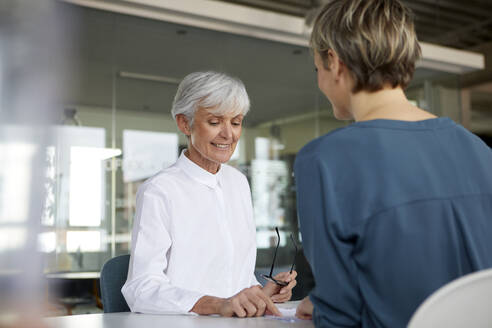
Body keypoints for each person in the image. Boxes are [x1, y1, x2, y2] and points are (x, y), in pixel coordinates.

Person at [294, 0, 492, 327]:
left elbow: (340, 317)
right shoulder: (478, 150)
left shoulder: (324, 160)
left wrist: (323, 306)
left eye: (318, 68)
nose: (320, 81)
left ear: (335, 61)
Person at [122, 71, 297, 317]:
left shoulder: (238, 183)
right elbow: (141, 288)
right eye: (215, 122)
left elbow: (235, 278)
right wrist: (217, 305)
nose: (229, 134)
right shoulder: (159, 191)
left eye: (235, 122)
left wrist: (261, 293)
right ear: (185, 123)